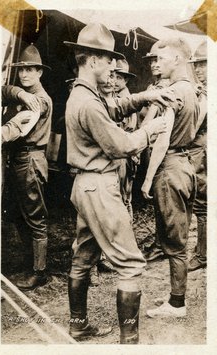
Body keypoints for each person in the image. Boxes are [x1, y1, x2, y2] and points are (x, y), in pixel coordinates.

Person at [64, 23, 173, 343]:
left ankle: (79, 325)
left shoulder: (82, 94)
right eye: (109, 60)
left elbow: (115, 107)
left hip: (85, 187)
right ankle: (130, 342)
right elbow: (120, 147)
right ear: (94, 60)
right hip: (101, 187)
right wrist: (151, 131)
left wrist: (146, 96)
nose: (114, 67)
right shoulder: (88, 102)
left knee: (83, 258)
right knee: (130, 264)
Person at [141, 37, 199, 318]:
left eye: (160, 59)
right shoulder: (192, 91)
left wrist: (146, 179)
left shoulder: (175, 91)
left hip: (169, 166)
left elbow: (163, 141)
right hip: (185, 164)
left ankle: (177, 304)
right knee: (179, 233)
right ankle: (177, 300)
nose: (156, 63)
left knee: (174, 240)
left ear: (177, 59)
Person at [2, 44, 53, 291]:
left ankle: (39, 271)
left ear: (40, 73)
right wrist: (18, 93)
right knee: (20, 214)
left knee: (35, 217)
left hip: (31, 160)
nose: (24, 74)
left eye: (30, 70)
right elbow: (1, 90)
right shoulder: (25, 94)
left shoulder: (40, 100)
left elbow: (17, 128)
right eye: (21, 70)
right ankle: (29, 262)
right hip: (20, 160)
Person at [140, 43, 170, 262]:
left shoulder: (166, 87)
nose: (154, 65)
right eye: (151, 61)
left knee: (161, 196)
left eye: (158, 60)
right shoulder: (153, 86)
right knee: (157, 198)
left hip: (161, 145)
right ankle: (161, 240)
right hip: (150, 143)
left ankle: (163, 244)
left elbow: (150, 118)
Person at [187, 41, 207, 271]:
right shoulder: (202, 90)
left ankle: (203, 254)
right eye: (197, 65)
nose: (199, 69)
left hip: (204, 149)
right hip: (203, 148)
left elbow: (195, 125)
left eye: (203, 64)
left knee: (202, 203)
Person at [114, 59, 138, 221]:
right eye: (112, 76)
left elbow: (126, 130)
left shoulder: (126, 101)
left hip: (124, 153)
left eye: (119, 78)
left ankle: (125, 230)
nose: (114, 81)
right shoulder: (115, 97)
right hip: (118, 150)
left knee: (123, 194)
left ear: (126, 80)